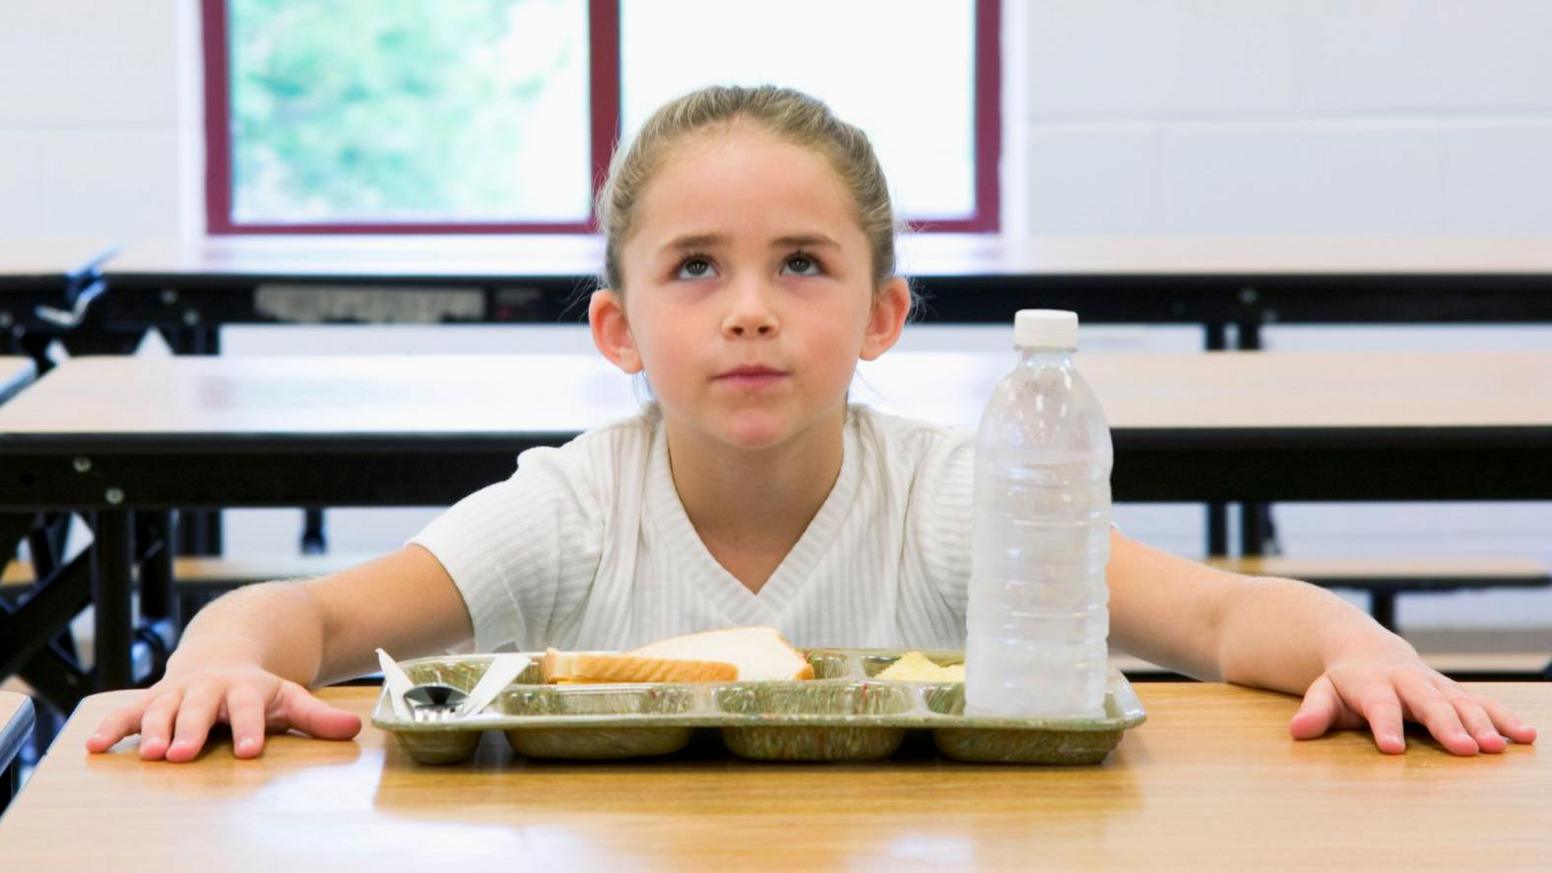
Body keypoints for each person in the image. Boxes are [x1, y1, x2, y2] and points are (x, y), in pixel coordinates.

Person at [88, 85, 1535, 763]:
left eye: (804, 265)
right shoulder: (576, 505)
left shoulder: (958, 499)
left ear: (884, 314)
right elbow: (310, 614)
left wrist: (1356, 641)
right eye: (694, 268)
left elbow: (1216, 616)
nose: (751, 310)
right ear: (620, 330)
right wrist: (217, 656)